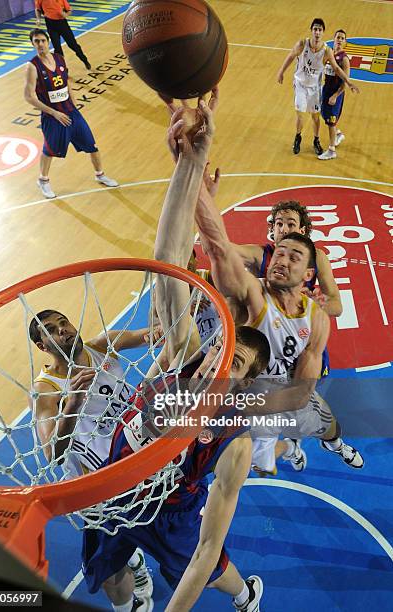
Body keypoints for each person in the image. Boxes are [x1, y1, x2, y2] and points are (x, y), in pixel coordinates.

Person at [82, 96, 270, 612]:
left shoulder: (236, 441)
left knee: (210, 568)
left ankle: (247, 595)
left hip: (171, 509)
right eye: (224, 352)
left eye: (236, 364)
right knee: (106, 570)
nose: (220, 361)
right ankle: (129, 605)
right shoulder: (187, 352)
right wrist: (190, 161)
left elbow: (209, 548)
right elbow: (168, 259)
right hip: (119, 476)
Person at [194, 172, 364, 473]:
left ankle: (333, 445)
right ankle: (288, 449)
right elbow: (220, 248)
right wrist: (199, 190)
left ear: (307, 272)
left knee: (328, 424)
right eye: (279, 252)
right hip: (244, 392)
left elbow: (299, 394)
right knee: (253, 465)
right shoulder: (253, 290)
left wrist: (324, 304)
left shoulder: (316, 309)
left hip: (285, 385)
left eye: (293, 256)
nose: (282, 258)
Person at [30, 310, 158, 604]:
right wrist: (73, 403)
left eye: (64, 321)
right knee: (109, 573)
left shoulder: (103, 346)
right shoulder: (46, 389)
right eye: (51, 330)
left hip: (135, 458)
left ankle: (135, 558)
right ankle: (130, 601)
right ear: (42, 347)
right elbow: (52, 453)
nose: (63, 329)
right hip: (97, 486)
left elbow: (158, 333)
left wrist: (181, 308)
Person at [25, 29, 118, 199]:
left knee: (92, 145)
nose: (40, 44)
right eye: (36, 41)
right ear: (33, 44)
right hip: (52, 117)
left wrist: (74, 107)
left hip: (71, 112)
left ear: (48, 41)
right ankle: (43, 181)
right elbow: (28, 97)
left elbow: (67, 83)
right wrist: (54, 113)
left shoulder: (60, 59)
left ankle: (100, 175)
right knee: (50, 150)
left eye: (42, 40)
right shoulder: (32, 66)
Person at [277, 18, 358, 155]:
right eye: (315, 29)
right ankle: (298, 138)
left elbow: (337, 69)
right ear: (311, 31)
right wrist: (281, 71)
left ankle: (316, 140)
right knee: (300, 113)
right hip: (300, 85)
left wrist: (349, 82)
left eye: (320, 30)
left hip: (315, 87)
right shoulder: (303, 44)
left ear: (323, 33)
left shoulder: (326, 51)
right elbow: (291, 56)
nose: (317, 32)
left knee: (315, 116)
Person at [318, 29, 350, 160]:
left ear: (345, 42)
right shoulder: (328, 53)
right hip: (326, 90)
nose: (339, 40)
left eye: (342, 38)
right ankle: (338, 134)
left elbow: (346, 81)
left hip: (335, 93)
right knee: (323, 114)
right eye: (338, 37)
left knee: (330, 121)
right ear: (334, 39)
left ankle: (331, 150)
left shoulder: (344, 59)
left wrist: (336, 95)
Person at [35, 0, 91, 69]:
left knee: (73, 45)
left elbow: (69, 10)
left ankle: (84, 60)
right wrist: (38, 19)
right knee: (57, 49)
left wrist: (65, 15)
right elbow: (38, 9)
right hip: (50, 25)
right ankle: (63, 69)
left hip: (62, 24)